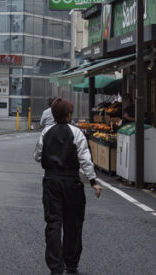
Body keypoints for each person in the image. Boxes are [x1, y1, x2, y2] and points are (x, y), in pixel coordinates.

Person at [34, 98, 102, 275]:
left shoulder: (46, 132)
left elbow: (37, 155)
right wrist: (93, 181)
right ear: (69, 114)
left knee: (53, 223)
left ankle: (55, 267)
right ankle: (71, 263)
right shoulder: (77, 133)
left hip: (51, 180)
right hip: (72, 182)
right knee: (73, 223)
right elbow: (85, 160)